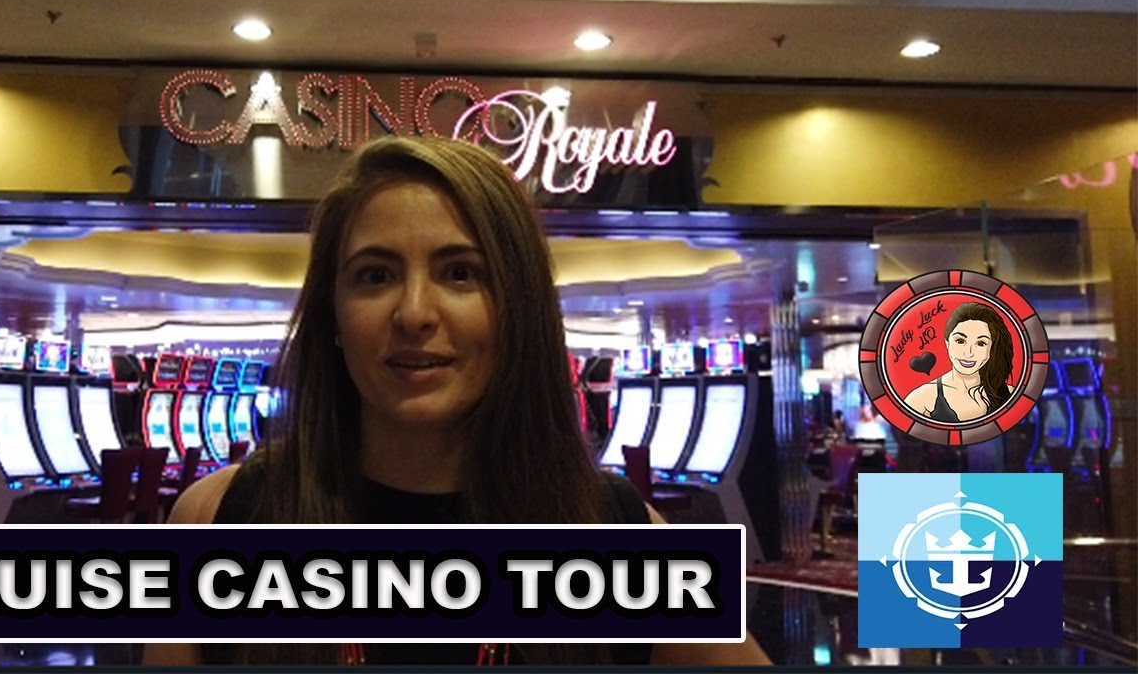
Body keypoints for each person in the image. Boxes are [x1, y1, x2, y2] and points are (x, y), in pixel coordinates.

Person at [144, 137, 771, 667]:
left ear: (516, 309)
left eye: (460, 273)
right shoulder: (217, 519)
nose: (414, 313)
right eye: (375, 275)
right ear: (332, 313)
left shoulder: (616, 531)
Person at [904, 302, 1015, 423]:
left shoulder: (1010, 394)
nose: (969, 353)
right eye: (960, 341)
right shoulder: (921, 398)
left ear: (992, 348)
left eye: (980, 343)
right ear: (947, 343)